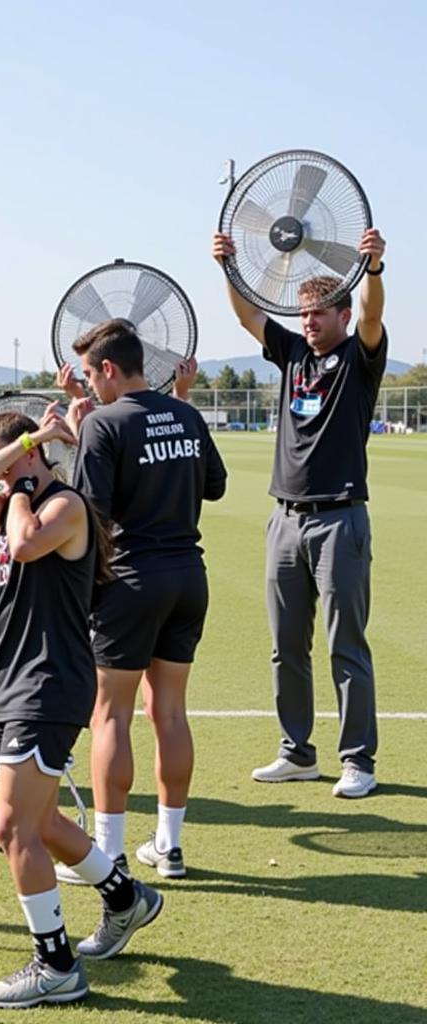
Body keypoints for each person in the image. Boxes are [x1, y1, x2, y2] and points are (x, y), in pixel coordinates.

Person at [0, 411, 162, 1010]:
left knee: (11, 828)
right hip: (11, 685)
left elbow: (21, 546)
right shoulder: (9, 499)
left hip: (45, 686)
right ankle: (127, 899)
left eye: (2, 465)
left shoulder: (62, 507)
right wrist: (19, 457)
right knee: (41, 823)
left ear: (29, 461)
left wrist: (22, 479)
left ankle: (56, 965)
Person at [213, 228, 387, 798]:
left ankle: (358, 759)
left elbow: (371, 316)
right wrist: (229, 268)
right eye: (305, 314)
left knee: (346, 643)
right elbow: (248, 319)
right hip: (284, 520)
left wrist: (374, 270)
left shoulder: (359, 360)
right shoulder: (290, 354)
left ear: (340, 315)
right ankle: (298, 753)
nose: (309, 322)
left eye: (319, 313)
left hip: (339, 518)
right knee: (285, 644)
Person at [58, 322, 227, 880]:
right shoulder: (186, 413)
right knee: (171, 711)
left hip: (130, 581)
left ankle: (108, 851)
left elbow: (91, 512)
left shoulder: (104, 422)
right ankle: (170, 846)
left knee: (112, 715)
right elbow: (215, 483)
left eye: (89, 375)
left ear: (109, 369)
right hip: (188, 578)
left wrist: (79, 435)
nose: (88, 386)